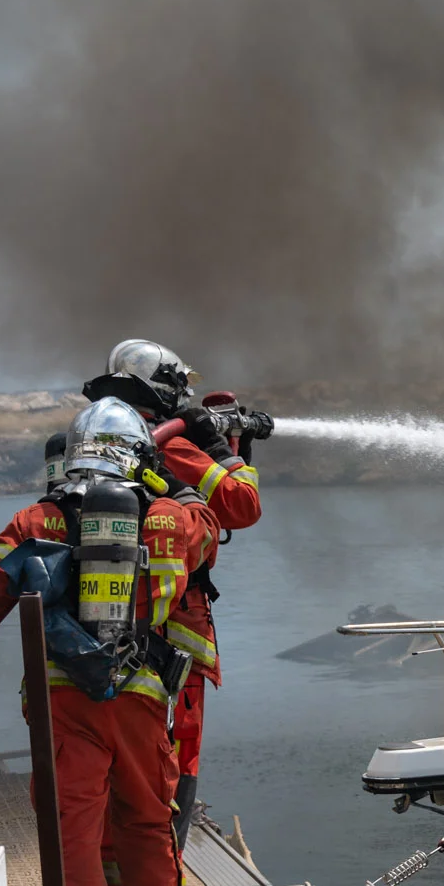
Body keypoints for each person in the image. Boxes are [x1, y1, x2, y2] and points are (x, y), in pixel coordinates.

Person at [0, 397, 219, 886]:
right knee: (150, 812)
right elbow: (207, 540)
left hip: (66, 698)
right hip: (146, 692)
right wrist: (178, 485)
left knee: (74, 827)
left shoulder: (36, 520)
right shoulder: (170, 516)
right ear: (136, 458)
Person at [85, 340, 268, 851]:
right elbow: (242, 505)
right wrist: (221, 453)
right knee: (172, 760)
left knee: (116, 763)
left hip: (105, 630)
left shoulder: (102, 441)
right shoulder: (168, 444)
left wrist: (230, 444)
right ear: (166, 390)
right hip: (172, 635)